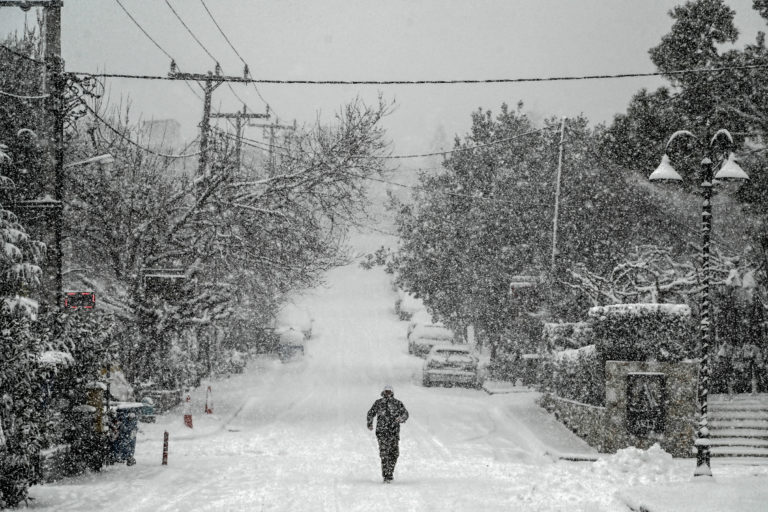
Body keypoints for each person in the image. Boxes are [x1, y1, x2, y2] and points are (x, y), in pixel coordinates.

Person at [367, 385, 409, 483]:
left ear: (392, 393)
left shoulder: (398, 403)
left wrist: (401, 419)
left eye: (389, 392)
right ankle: (386, 476)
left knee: (394, 454)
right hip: (382, 432)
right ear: (383, 393)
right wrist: (369, 423)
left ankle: (390, 472)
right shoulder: (378, 403)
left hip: (394, 433)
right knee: (384, 454)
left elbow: (405, 414)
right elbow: (370, 413)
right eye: (386, 392)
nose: (387, 393)